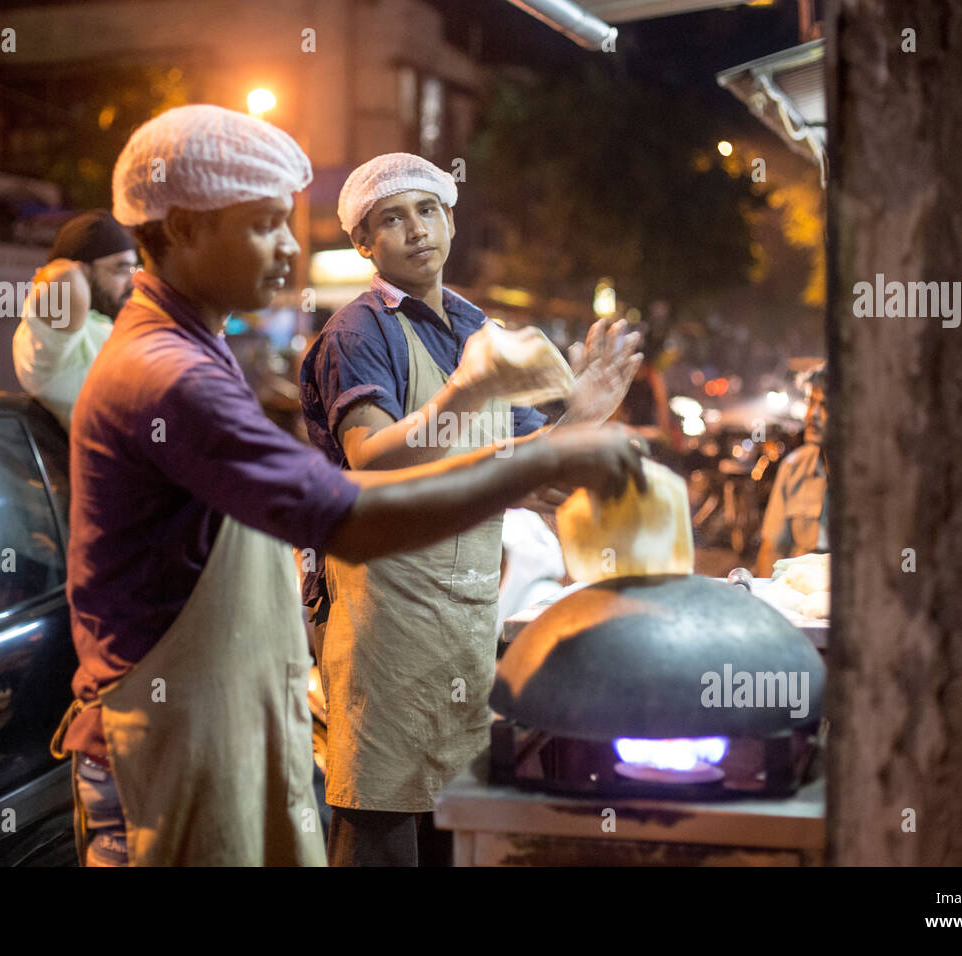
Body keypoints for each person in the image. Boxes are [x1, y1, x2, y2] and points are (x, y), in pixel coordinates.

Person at [48, 106, 647, 867]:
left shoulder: (198, 346)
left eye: (429, 209)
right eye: (265, 224)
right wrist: (535, 456)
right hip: (168, 732)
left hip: (225, 715)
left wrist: (572, 426)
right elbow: (351, 509)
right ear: (186, 229)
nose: (289, 248)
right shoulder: (172, 376)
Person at [300, 153, 643, 866]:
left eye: (428, 211)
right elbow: (373, 464)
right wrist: (462, 393)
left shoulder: (474, 327)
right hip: (382, 626)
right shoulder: (357, 333)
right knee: (381, 827)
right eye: (391, 219)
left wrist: (578, 418)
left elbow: (530, 480)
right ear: (364, 243)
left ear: (451, 221)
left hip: (462, 623)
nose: (415, 230)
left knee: (455, 825)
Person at [11, 209, 139, 430]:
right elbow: (63, 278)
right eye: (121, 269)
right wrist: (74, 266)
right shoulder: (53, 340)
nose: (133, 282)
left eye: (134, 268)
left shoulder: (108, 324)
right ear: (84, 271)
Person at [756, 363, 829, 577]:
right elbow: (771, 550)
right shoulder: (793, 467)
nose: (812, 414)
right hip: (796, 601)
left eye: (825, 406)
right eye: (810, 402)